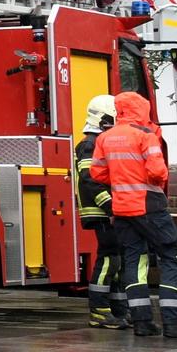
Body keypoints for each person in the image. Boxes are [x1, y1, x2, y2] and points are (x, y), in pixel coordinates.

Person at [92, 91, 177, 340]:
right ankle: (174, 323)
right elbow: (158, 173)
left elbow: (98, 174)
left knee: (134, 261)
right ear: (141, 110)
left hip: (122, 209)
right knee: (173, 258)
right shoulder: (146, 136)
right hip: (149, 206)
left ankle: (142, 322)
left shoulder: (105, 138)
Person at [74, 94, 128, 328]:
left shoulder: (100, 142)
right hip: (100, 211)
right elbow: (89, 180)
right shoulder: (89, 145)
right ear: (104, 119)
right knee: (108, 259)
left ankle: (118, 310)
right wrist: (110, 205)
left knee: (116, 261)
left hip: (107, 210)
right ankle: (99, 311)